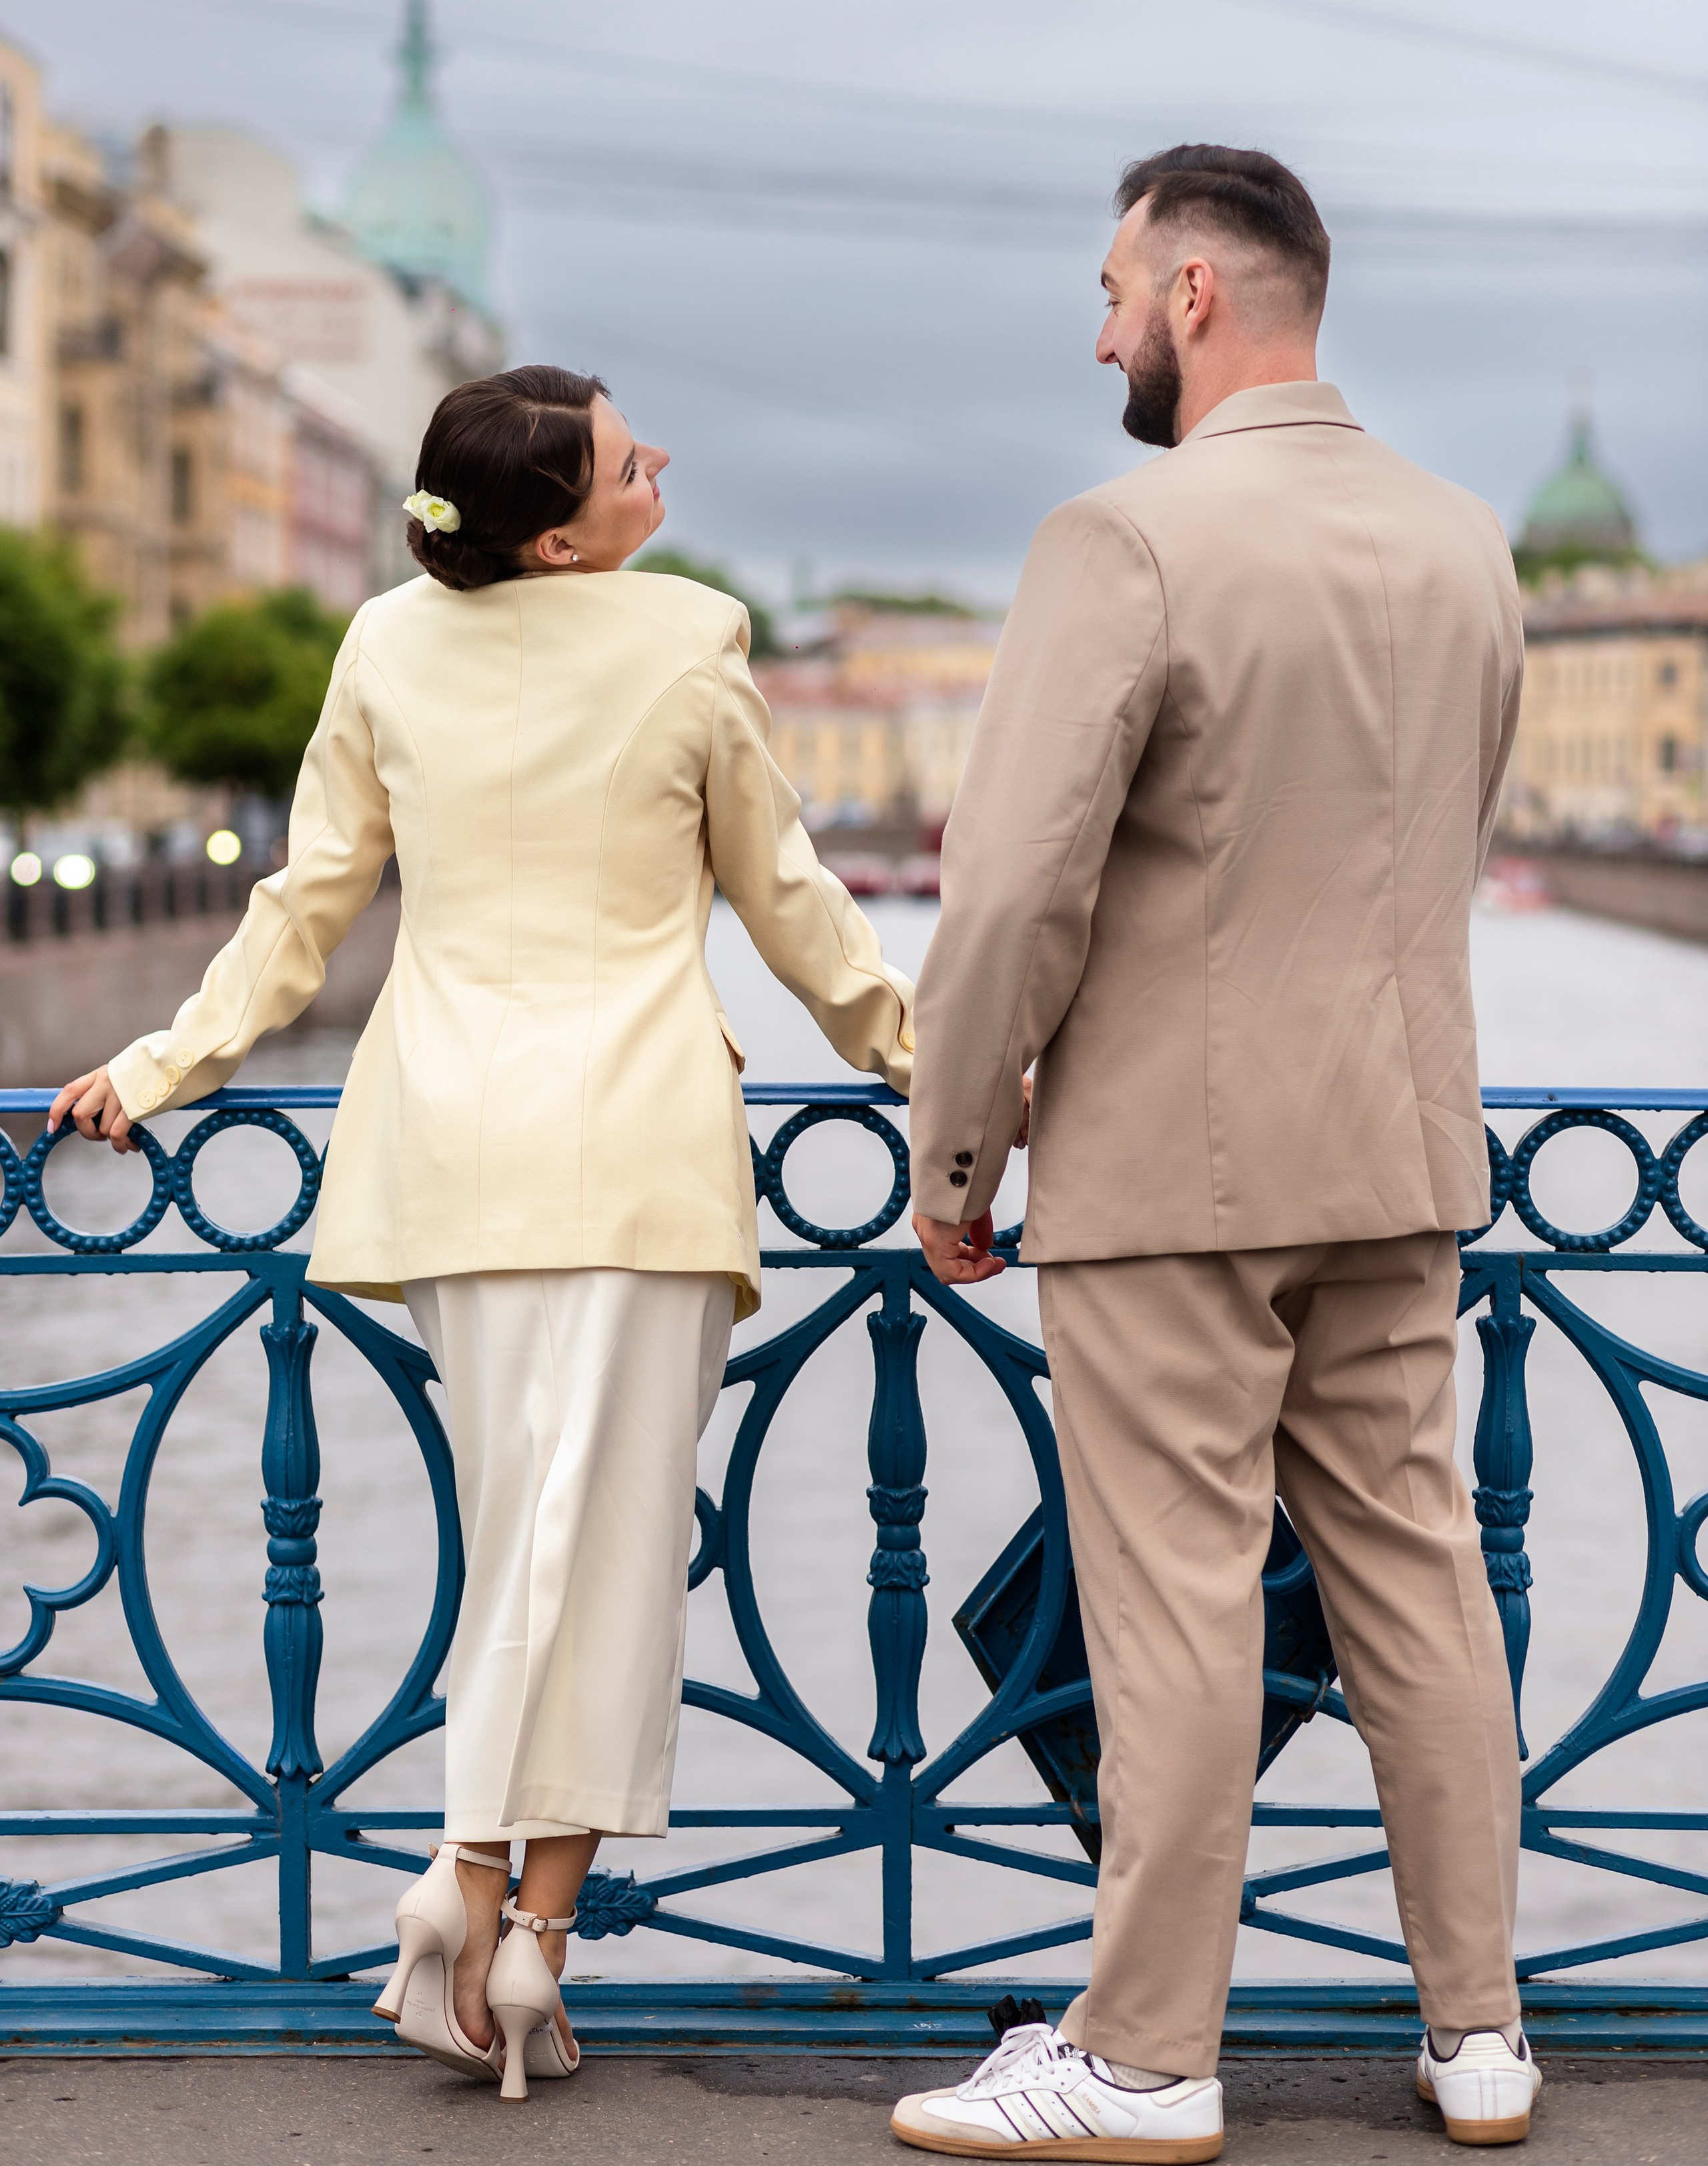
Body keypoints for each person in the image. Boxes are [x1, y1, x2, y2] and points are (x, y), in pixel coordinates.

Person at [50, 364, 915, 2105]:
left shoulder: (383, 643)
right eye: (623, 456)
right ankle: (489, 1904)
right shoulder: (689, 638)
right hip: (634, 1154)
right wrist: (938, 1067)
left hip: (450, 1150)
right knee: (601, 1552)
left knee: (540, 1538)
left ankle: (515, 1931)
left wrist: (164, 1065)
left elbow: (303, 914)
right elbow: (795, 903)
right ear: (558, 533)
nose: (656, 456)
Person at [890, 147, 1533, 2159]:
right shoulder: (1466, 545)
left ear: (1192, 296)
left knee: (1173, 1600)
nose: (1095, 333)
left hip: (1178, 1161)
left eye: (1106, 291)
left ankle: (1148, 2054)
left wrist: (956, 1152)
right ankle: (1482, 2035)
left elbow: (1010, 895)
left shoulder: (1125, 538)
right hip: (1410, 1142)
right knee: (1423, 1587)